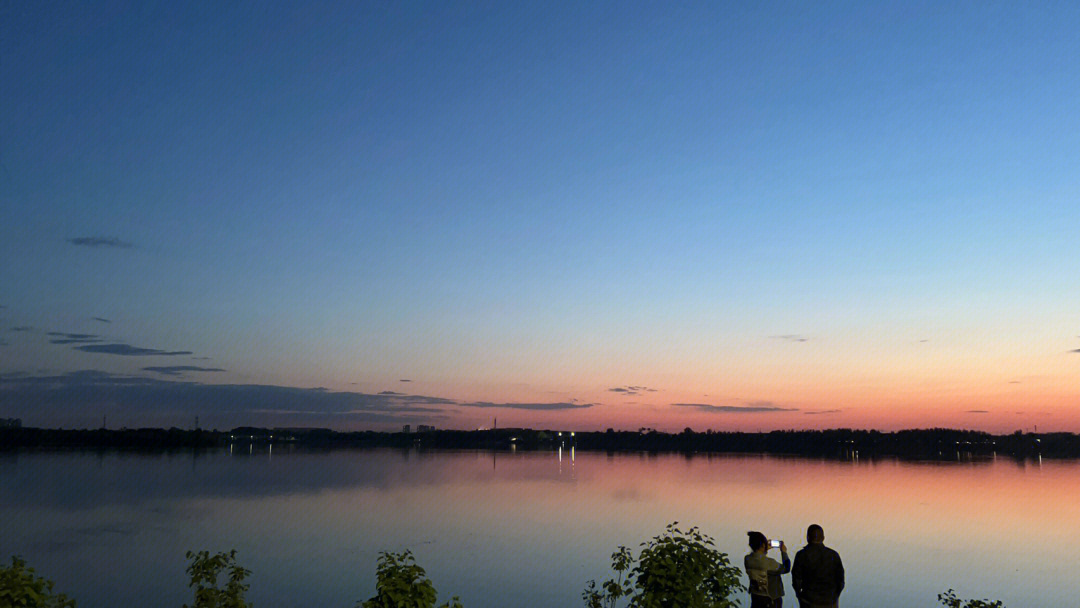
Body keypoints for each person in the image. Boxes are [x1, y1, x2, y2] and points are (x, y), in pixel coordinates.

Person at [791, 524, 845, 608]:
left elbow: (796, 579)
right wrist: (835, 596)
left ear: (808, 537)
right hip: (830, 600)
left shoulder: (802, 555)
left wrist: (800, 596)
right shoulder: (833, 555)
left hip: (809, 601)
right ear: (823, 538)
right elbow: (841, 580)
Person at [745, 531, 790, 608]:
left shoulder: (747, 559)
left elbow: (759, 558)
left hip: (756, 598)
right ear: (763, 545)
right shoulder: (770, 563)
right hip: (771, 600)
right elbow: (786, 568)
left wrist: (764, 550)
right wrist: (784, 552)